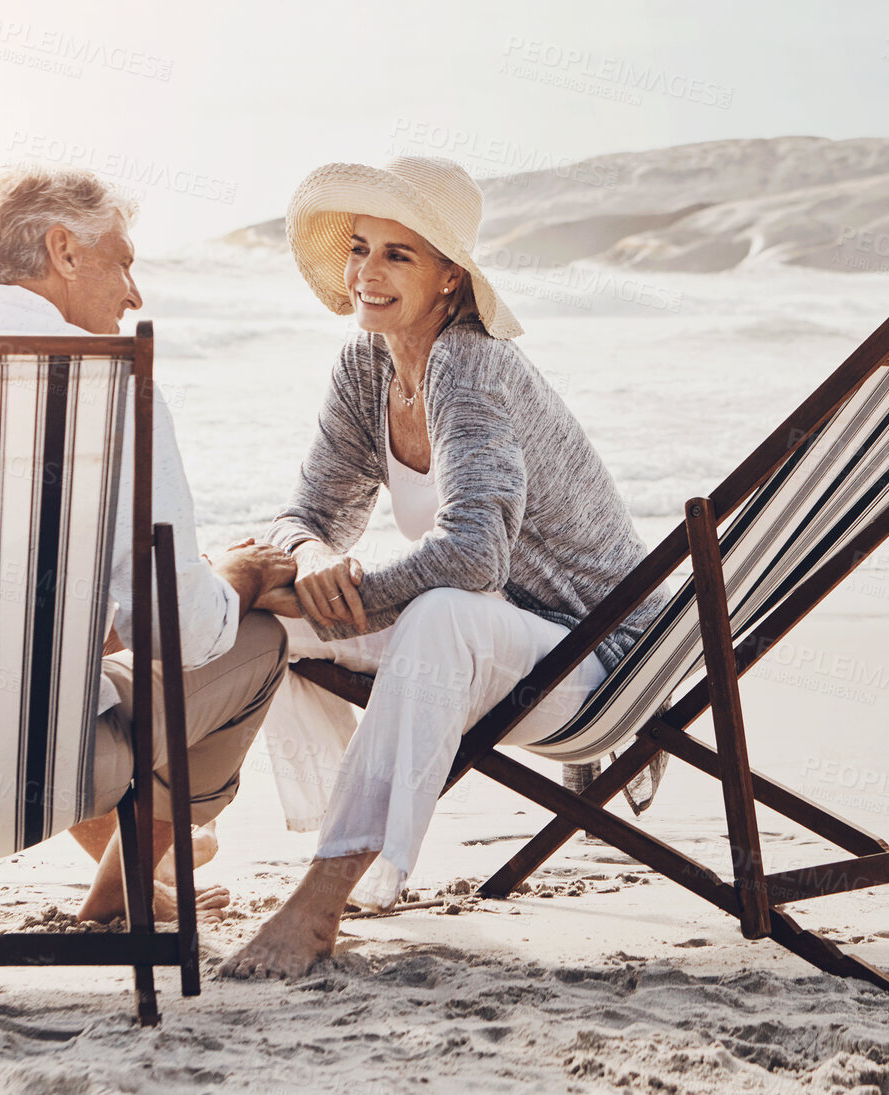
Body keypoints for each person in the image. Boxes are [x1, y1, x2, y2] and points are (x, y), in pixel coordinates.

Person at [220, 157, 666, 979]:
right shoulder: (367, 367)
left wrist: (335, 601)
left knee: (434, 612)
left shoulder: (472, 363)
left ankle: (324, 895)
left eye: (400, 254)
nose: (367, 273)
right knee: (263, 615)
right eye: (360, 247)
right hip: (498, 644)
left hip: (595, 656)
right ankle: (173, 847)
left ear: (450, 280)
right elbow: (305, 515)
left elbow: (472, 554)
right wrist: (314, 560)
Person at [0, 162, 296, 922]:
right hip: (26, 769)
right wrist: (235, 574)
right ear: (64, 250)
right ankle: (134, 878)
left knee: (73, 636)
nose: (134, 292)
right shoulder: (104, 380)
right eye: (124, 262)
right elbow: (183, 630)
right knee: (253, 639)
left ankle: (121, 888)